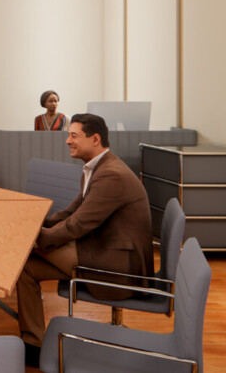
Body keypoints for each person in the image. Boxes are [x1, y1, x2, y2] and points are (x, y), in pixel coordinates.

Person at [15, 113, 153, 366]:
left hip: (116, 265)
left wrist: (35, 238)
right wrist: (39, 226)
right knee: (26, 268)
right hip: (100, 248)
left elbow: (78, 224)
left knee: (25, 251)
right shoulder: (97, 168)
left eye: (74, 135)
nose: (67, 141)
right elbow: (72, 211)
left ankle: (32, 343)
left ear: (95, 139)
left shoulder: (111, 175)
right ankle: (33, 344)